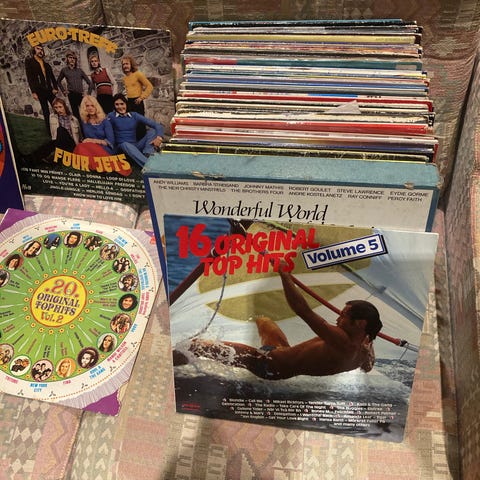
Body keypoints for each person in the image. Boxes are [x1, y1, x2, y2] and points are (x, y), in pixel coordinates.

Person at [174, 264, 383, 379]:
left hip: (263, 363)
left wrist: (285, 276)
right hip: (278, 353)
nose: (338, 318)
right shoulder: (365, 348)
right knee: (263, 319)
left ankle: (169, 369)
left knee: (194, 346)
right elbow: (367, 367)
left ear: (360, 323)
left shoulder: (342, 340)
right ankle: (256, 316)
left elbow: (302, 310)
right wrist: (367, 355)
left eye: (344, 315)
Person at [108, 93, 163, 167]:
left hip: (135, 146)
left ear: (126, 104)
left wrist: (159, 137)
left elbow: (156, 125)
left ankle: (147, 154)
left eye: (122, 104)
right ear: (114, 106)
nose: (120, 107)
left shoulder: (134, 115)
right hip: (121, 148)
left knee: (153, 131)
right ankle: (150, 165)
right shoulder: (111, 116)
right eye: (117, 104)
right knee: (125, 144)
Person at [24, 45, 59, 132]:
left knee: (57, 107)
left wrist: (55, 88)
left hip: (50, 90)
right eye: (38, 49)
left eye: (41, 49)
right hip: (40, 91)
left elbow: (52, 77)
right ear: (34, 50)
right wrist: (33, 92)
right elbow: (30, 78)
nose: (40, 51)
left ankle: (61, 126)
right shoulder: (30, 62)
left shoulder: (46, 64)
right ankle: (50, 131)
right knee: (46, 111)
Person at [120, 55, 153, 138]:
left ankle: (143, 143)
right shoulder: (125, 78)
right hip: (129, 103)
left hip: (137, 102)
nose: (125, 66)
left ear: (131, 64)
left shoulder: (138, 74)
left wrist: (141, 97)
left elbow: (150, 86)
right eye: (123, 64)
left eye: (127, 64)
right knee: (131, 124)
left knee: (140, 125)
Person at [57, 50, 93, 121]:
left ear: (75, 60)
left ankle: (88, 126)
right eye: (70, 57)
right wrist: (63, 91)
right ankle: (79, 127)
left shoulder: (80, 70)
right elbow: (58, 81)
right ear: (67, 59)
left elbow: (90, 83)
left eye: (74, 58)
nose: (72, 59)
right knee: (76, 114)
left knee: (85, 113)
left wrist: (88, 93)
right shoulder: (64, 70)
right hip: (71, 95)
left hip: (80, 95)